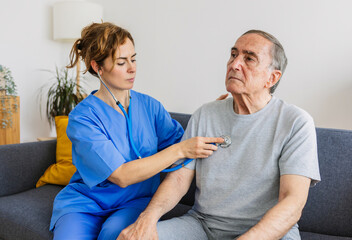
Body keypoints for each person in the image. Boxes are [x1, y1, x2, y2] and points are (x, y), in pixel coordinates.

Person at [117, 30, 321, 240]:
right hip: (203, 225)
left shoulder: (295, 122)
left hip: (269, 232)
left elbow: (292, 202)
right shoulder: (205, 114)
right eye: (233, 55)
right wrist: (147, 219)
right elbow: (178, 179)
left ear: (272, 77)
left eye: (249, 58)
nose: (234, 64)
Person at [49, 22, 224, 240]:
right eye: (121, 62)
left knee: (117, 235)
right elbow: (121, 176)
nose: (132, 68)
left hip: (136, 201)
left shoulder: (151, 107)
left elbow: (186, 144)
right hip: (85, 202)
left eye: (133, 58)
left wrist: (208, 118)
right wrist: (180, 150)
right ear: (97, 67)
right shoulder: (83, 118)